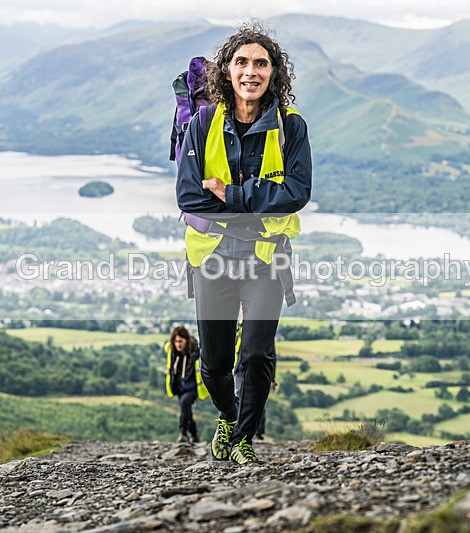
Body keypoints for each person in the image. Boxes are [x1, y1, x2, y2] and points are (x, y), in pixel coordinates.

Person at [176, 22, 312, 464]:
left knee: (255, 356)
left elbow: (297, 194)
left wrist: (231, 194)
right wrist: (257, 205)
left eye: (261, 63)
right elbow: (189, 196)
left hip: (266, 259)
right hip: (213, 258)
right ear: (227, 72)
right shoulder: (202, 122)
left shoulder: (292, 127)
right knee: (213, 365)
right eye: (241, 62)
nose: (250, 71)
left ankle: (244, 440)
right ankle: (229, 416)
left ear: (274, 73)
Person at [164, 326, 208, 443]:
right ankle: (194, 435)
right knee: (186, 410)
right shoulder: (173, 352)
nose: (178, 344)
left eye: (180, 341)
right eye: (176, 341)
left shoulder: (195, 352)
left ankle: (183, 433)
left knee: (185, 404)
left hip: (192, 387)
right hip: (179, 387)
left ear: (186, 340)